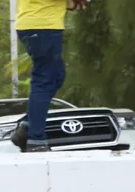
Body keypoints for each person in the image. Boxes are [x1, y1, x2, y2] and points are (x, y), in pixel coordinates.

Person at [11, 0, 87, 152]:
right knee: (44, 80)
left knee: (57, 75)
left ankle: (28, 126)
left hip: (38, 23)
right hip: (42, 26)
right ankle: (36, 140)